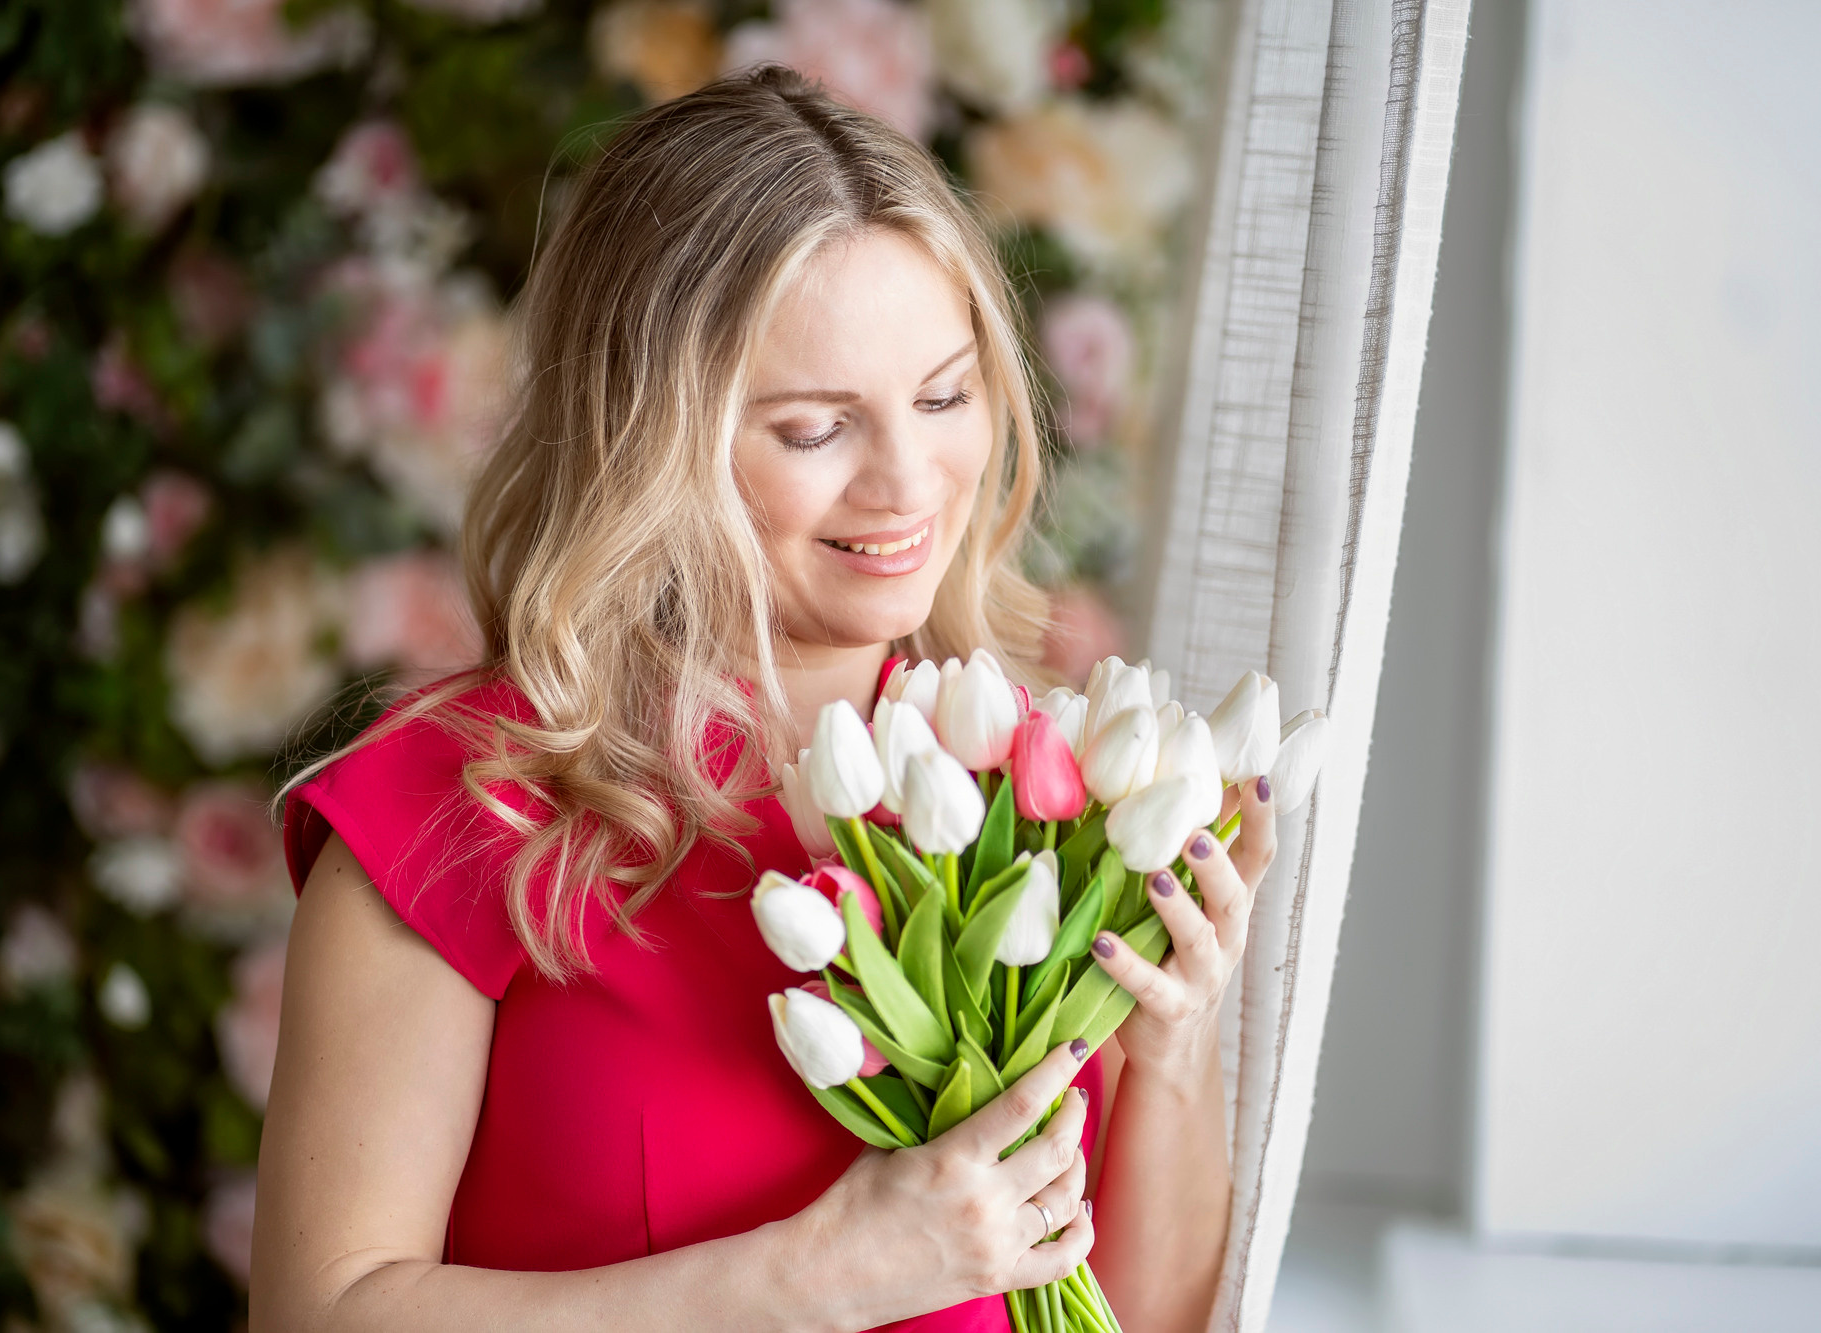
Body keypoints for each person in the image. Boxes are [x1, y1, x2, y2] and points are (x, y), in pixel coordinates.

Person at [250, 67, 1274, 1333]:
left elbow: (1134, 1319)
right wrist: (814, 1281)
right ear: (645, 437)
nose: (907, 482)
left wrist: (1171, 1056)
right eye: (812, 429)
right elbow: (321, 1317)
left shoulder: (1045, 791)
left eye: (944, 398)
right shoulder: (455, 809)